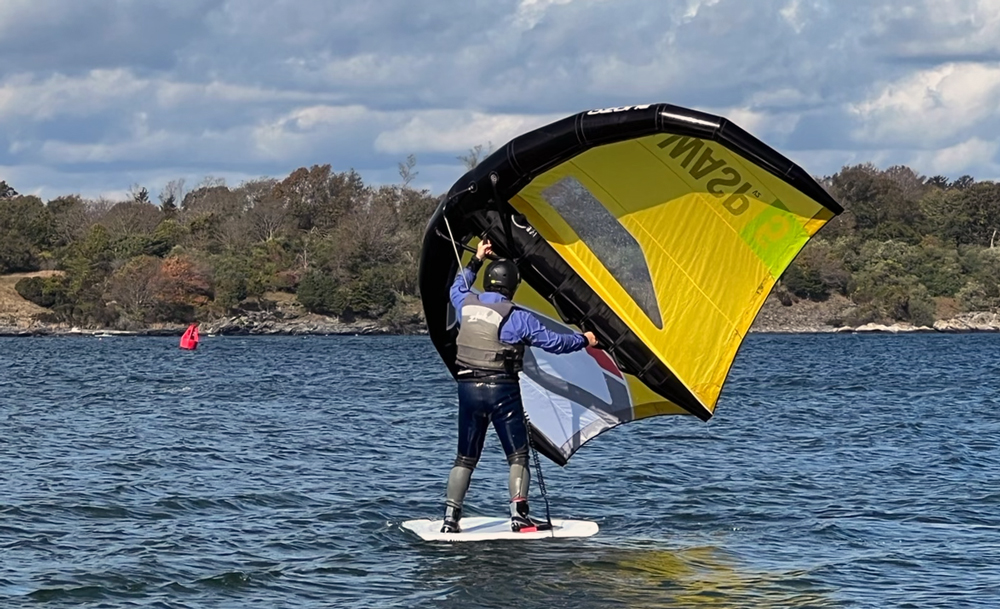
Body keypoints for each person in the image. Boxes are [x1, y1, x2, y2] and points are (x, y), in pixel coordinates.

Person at [441, 239, 598, 533]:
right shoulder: (517, 317)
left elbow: (456, 287)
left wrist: (475, 260)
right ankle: (519, 515)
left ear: (488, 283)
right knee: (517, 454)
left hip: (468, 389)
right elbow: (555, 342)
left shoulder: (465, 304)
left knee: (465, 455)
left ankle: (450, 519)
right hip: (502, 390)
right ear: (513, 286)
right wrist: (584, 340)